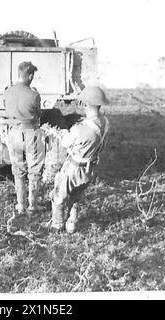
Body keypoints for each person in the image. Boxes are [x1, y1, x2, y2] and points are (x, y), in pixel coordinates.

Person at [50, 86, 110, 234]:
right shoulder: (106, 123)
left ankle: (57, 225)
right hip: (90, 167)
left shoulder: (81, 128)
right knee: (76, 196)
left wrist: (58, 132)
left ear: (86, 104)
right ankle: (72, 223)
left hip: (74, 166)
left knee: (58, 196)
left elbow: (66, 142)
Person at [4, 61, 45, 218]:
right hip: (31, 133)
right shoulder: (33, 94)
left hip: (13, 133)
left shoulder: (7, 92)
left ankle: (20, 205)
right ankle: (32, 206)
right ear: (30, 75)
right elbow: (39, 114)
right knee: (34, 170)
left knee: (18, 170)